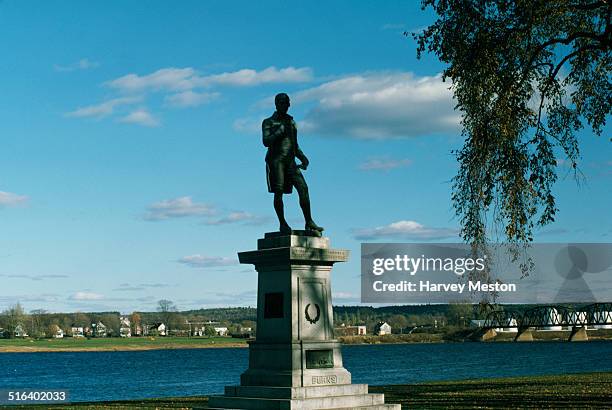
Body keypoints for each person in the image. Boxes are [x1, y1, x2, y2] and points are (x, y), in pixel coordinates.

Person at [262, 93, 323, 234]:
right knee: (278, 192)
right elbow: (266, 141)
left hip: (291, 162)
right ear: (276, 104)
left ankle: (309, 221)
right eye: (283, 102)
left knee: (303, 188)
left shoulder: (292, 122)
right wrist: (280, 130)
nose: (286, 105)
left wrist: (302, 157)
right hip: (276, 161)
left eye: (287, 103)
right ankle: (282, 223)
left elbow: (294, 144)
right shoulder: (269, 122)